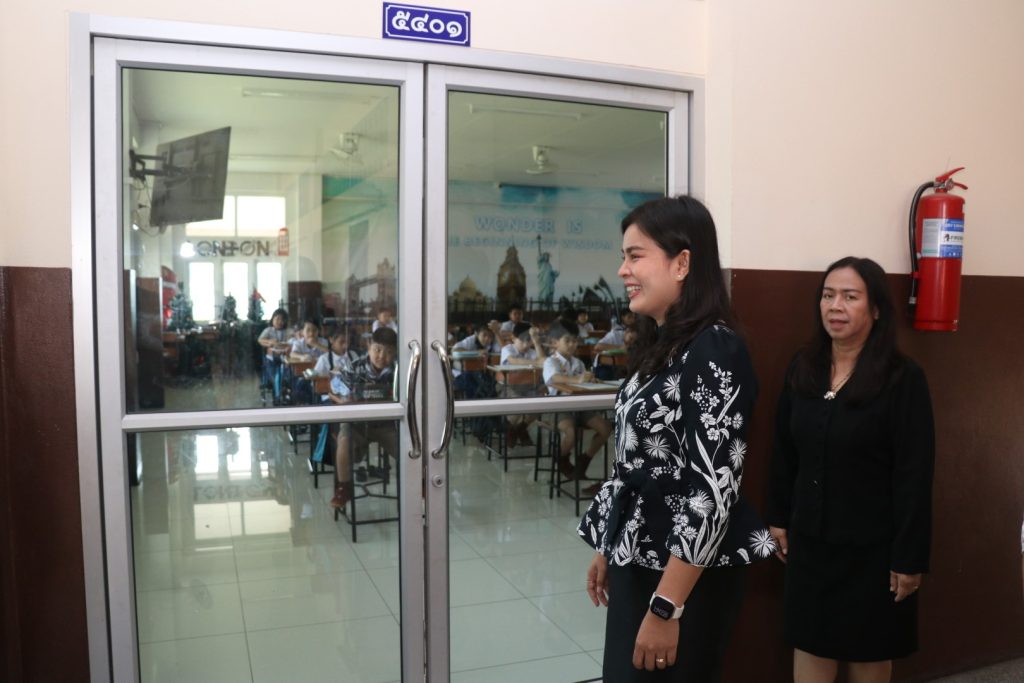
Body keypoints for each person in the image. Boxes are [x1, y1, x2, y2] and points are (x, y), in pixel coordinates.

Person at [577, 196, 776, 681]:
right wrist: (610, 546)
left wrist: (666, 607)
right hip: (645, 560)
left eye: (635, 255)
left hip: (681, 579)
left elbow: (714, 490)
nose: (622, 270)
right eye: (623, 256)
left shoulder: (714, 349)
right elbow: (638, 466)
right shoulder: (664, 343)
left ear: (682, 263)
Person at [767, 256, 935, 683]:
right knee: (810, 645)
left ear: (875, 309)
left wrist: (909, 557)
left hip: (874, 552)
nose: (835, 306)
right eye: (827, 296)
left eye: (849, 296)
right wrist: (779, 517)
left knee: (868, 653)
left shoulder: (902, 378)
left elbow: (914, 474)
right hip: (810, 545)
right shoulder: (803, 367)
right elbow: (784, 451)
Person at [329, 327, 399, 509]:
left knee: (410, 447)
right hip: (357, 423)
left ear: (395, 353)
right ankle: (344, 487)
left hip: (387, 424)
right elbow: (335, 388)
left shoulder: (398, 370)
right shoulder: (355, 366)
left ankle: (420, 484)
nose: (381, 356)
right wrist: (345, 399)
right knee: (344, 442)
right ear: (369, 347)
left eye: (388, 352)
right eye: (377, 349)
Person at [543, 320, 612, 481]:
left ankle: (585, 459)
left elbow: (583, 381)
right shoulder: (551, 361)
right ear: (555, 342)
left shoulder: (578, 363)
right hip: (559, 407)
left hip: (580, 406)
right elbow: (554, 378)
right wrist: (577, 379)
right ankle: (561, 458)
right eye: (567, 341)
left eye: (575, 341)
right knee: (572, 433)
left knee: (605, 428)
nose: (572, 344)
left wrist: (591, 380)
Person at [500, 322, 546, 446]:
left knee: (541, 403)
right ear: (513, 338)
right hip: (508, 386)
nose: (526, 344)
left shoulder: (532, 351)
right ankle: (512, 428)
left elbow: (543, 361)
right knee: (519, 403)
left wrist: (536, 342)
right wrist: (536, 362)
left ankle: (519, 428)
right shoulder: (507, 349)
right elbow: (514, 361)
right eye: (522, 341)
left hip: (529, 386)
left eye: (529, 341)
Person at [257, 308, 291, 403]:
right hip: (271, 358)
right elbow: (260, 340)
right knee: (274, 375)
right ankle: (277, 395)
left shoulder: (287, 331)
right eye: (277, 319)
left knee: (286, 374)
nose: (280, 322)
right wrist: (270, 342)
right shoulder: (268, 330)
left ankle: (283, 392)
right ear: (272, 319)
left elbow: (294, 340)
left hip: (284, 357)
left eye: (282, 319)